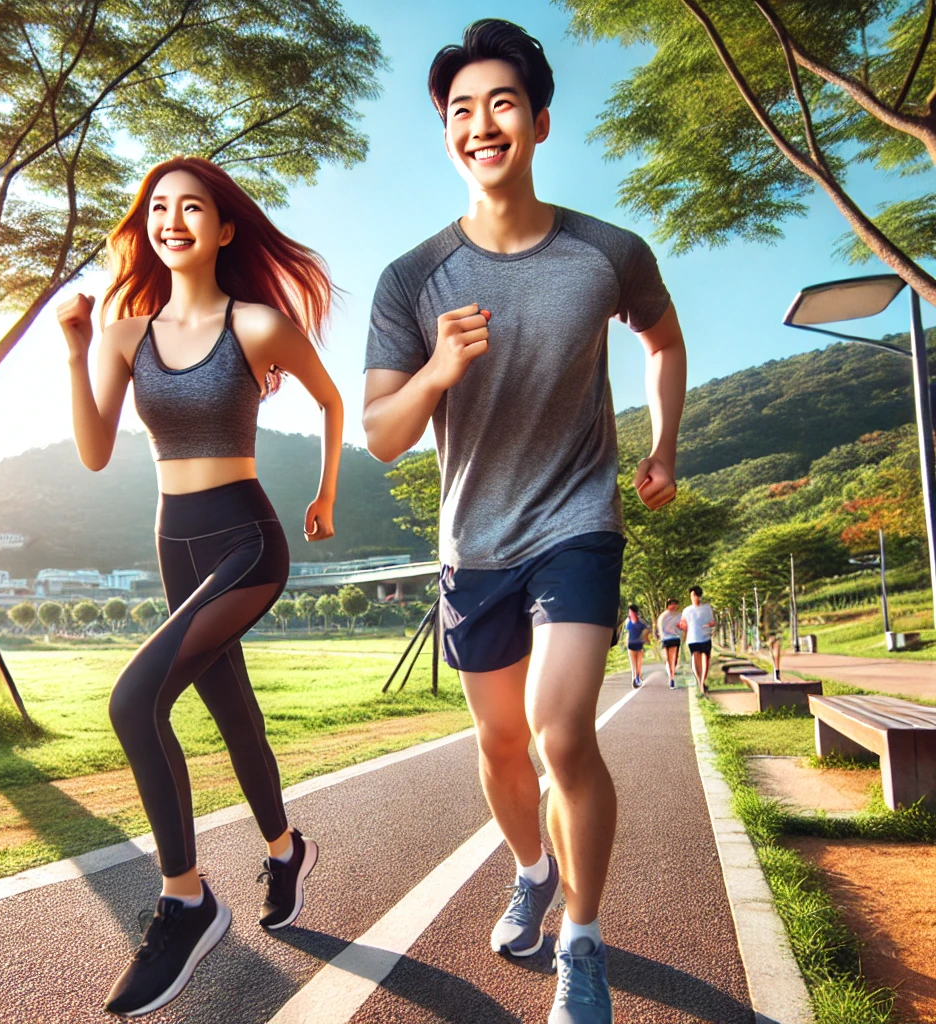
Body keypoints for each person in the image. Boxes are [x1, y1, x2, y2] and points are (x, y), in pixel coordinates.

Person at [361, 20, 686, 1023]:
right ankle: (531, 868)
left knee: (560, 732)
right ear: (448, 135)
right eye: (461, 110)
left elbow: (662, 338)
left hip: (577, 521)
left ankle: (581, 947)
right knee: (503, 748)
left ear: (538, 123)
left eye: (500, 103)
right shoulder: (411, 279)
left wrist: (664, 443)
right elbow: (380, 431)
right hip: (474, 544)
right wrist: (437, 371)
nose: (480, 123)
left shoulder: (606, 252)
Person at [58, 156, 343, 1018]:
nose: (172, 218)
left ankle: (186, 900)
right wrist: (76, 350)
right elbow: (95, 450)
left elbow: (332, 402)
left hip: (248, 543)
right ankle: (287, 848)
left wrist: (326, 492)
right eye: (157, 207)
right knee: (232, 713)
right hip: (173, 543)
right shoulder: (121, 333)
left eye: (192, 207)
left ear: (224, 229)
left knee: (133, 702)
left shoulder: (257, 325)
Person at [680, 586, 715, 694]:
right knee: (695, 660)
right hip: (693, 638)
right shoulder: (687, 610)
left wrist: (707, 626)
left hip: (705, 637)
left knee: (706, 659)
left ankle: (702, 681)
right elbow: (683, 624)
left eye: (695, 595)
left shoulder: (707, 608)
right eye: (692, 595)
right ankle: (700, 683)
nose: (693, 598)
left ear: (699, 596)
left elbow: (712, 622)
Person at [623, 605, 651, 688]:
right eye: (630, 611)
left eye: (632, 611)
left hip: (639, 645)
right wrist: (625, 642)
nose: (631, 613)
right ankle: (634, 680)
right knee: (633, 664)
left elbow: (647, 629)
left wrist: (645, 638)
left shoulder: (641, 622)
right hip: (631, 645)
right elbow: (625, 633)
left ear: (635, 612)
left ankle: (637, 677)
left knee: (639, 663)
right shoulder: (627, 622)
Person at [656, 598, 682, 688]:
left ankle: (672, 677)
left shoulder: (679, 615)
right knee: (668, 658)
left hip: (675, 638)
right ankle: (671, 675)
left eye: (675, 604)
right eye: (672, 604)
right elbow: (660, 628)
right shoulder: (663, 616)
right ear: (668, 605)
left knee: (674, 658)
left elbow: (682, 626)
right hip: (666, 639)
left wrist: (681, 629)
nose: (674, 606)